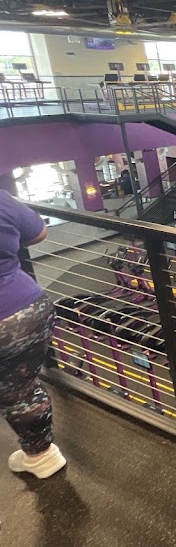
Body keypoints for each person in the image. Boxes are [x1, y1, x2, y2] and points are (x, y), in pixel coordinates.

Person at [0, 190, 66, 479]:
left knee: (15, 390)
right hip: (31, 309)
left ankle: (40, 456)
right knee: (22, 387)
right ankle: (41, 453)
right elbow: (39, 232)